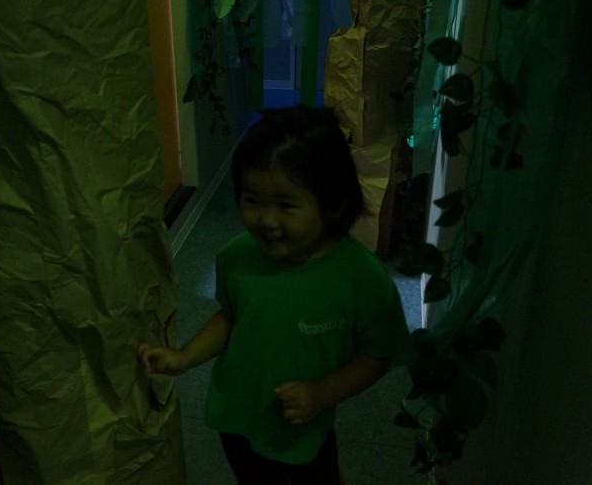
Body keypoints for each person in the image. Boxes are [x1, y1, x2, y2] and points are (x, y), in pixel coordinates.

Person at [138, 105, 409, 484]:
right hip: (237, 418)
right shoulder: (236, 256)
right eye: (252, 200)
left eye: (286, 205)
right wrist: (184, 357)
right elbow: (231, 316)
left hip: (302, 427)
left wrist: (322, 393)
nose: (266, 220)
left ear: (333, 203)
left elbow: (377, 353)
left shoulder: (361, 278)